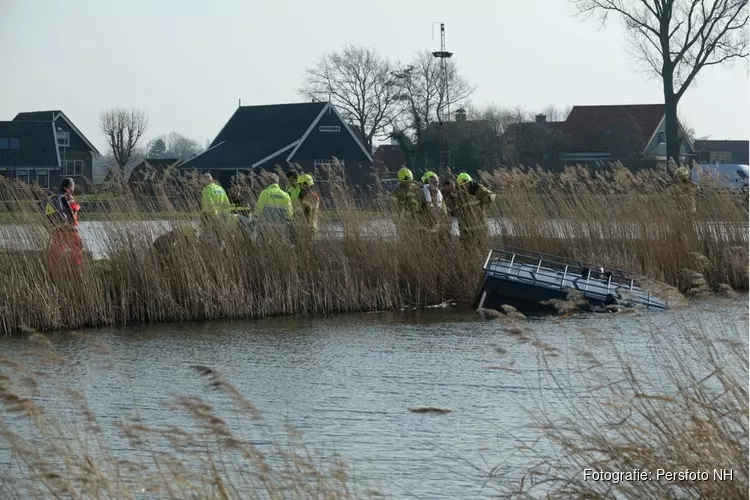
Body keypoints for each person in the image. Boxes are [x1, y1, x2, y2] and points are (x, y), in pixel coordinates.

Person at [45, 177, 84, 272]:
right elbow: (73, 210)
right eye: (73, 185)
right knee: (78, 246)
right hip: (70, 230)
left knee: (56, 251)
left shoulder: (54, 197)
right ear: (70, 186)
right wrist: (78, 207)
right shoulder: (68, 197)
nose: (74, 188)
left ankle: (52, 269)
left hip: (57, 230)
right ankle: (75, 267)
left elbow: (48, 214)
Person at [453, 172, 496, 250]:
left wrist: (486, 199)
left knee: (482, 248)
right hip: (467, 228)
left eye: (466, 184)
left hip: (481, 224)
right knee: (467, 250)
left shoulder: (479, 188)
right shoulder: (459, 195)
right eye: (462, 186)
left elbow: (492, 195)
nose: (465, 187)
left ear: (470, 182)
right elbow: (459, 213)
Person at [255, 173, 294, 240]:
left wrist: (256, 218)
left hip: (266, 226)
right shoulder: (285, 195)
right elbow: (290, 213)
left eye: (266, 181)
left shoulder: (265, 193)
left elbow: (258, 209)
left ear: (269, 182)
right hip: (280, 226)